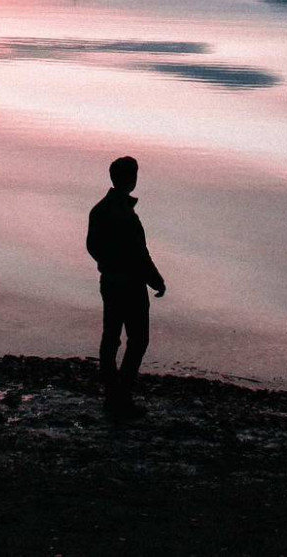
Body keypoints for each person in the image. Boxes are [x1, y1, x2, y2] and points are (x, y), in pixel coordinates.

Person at [86, 155, 166, 417]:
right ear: (129, 179)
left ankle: (114, 394)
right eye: (133, 175)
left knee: (111, 337)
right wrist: (156, 280)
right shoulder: (125, 215)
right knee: (137, 339)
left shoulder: (99, 210)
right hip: (129, 284)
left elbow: (92, 247)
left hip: (109, 281)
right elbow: (140, 254)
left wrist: (108, 264)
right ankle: (120, 395)